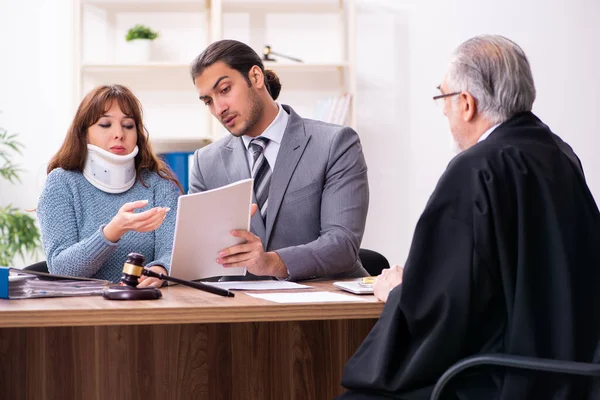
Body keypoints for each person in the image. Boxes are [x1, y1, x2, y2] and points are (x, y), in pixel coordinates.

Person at [338, 34, 600, 399]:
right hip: (571, 374)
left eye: (443, 97)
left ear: (466, 103)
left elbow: (442, 314)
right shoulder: (560, 154)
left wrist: (398, 291)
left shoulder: (476, 169)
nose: (443, 111)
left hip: (500, 376)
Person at [188, 40, 369, 281]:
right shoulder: (205, 162)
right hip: (240, 307)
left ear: (255, 77)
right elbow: (197, 253)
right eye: (208, 101)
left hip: (325, 303)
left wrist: (273, 263)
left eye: (224, 90)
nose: (219, 108)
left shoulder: (334, 143)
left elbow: (342, 244)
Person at [37, 84, 183, 287]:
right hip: (83, 312)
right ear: (83, 133)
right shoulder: (62, 183)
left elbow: (174, 253)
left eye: (128, 125)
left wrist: (160, 271)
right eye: (105, 124)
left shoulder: (159, 184)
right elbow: (60, 269)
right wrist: (113, 230)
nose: (119, 134)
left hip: (146, 307)